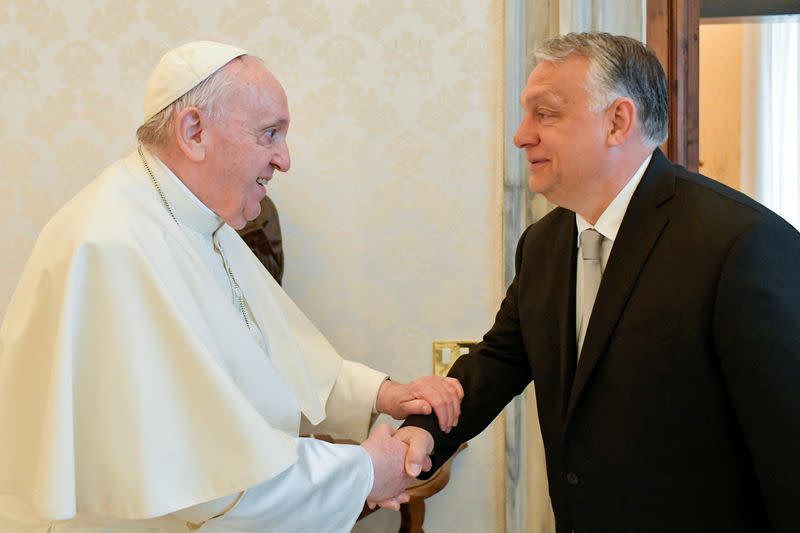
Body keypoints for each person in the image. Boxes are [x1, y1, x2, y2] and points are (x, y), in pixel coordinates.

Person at [0, 41, 462, 532]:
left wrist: (383, 394)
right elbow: (211, 481)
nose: (284, 160)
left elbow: (276, 353)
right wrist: (364, 471)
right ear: (194, 131)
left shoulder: (200, 220)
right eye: (270, 135)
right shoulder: (112, 247)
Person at [400, 31, 800, 532]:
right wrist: (420, 436)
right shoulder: (543, 244)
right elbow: (499, 360)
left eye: (544, 114)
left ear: (617, 122)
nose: (522, 135)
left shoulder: (742, 244)